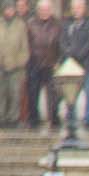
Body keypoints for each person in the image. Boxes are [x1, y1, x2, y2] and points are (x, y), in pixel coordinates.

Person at [23, 0, 56, 130]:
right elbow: (26, 43)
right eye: (42, 9)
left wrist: (58, 62)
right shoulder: (30, 24)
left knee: (53, 96)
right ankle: (33, 119)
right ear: (38, 10)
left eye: (47, 9)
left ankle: (53, 118)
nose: (44, 12)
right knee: (33, 94)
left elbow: (60, 43)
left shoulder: (57, 24)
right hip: (34, 64)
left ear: (51, 10)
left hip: (51, 64)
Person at [0, 2, 28, 131]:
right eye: (6, 9)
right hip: (1, 66)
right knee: (2, 93)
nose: (9, 12)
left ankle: (13, 119)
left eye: (11, 9)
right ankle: (2, 118)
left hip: (16, 67)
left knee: (15, 93)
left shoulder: (21, 25)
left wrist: (19, 63)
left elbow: (25, 48)